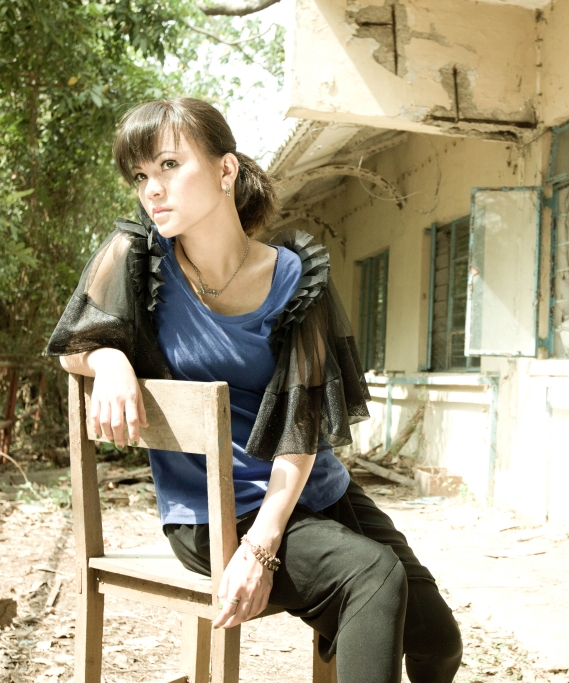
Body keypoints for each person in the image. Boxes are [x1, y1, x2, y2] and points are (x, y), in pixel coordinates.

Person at [45, 97, 462, 683]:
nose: (151, 189)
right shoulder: (136, 256)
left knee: (439, 642)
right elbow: (73, 341)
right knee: (371, 575)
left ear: (225, 169)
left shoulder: (297, 277)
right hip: (211, 514)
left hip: (307, 492)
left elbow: (302, 426)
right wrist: (110, 359)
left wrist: (262, 550)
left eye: (169, 165)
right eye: (140, 175)